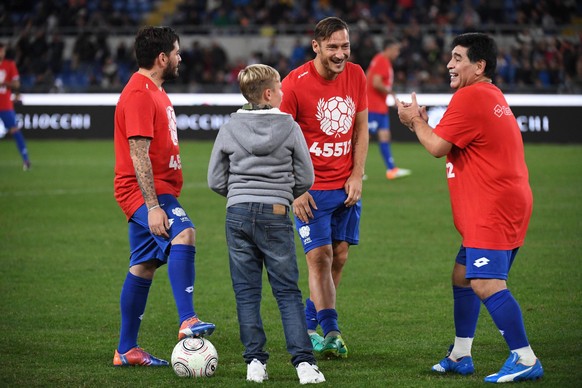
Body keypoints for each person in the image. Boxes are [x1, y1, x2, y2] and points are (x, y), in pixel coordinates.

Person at [396, 32, 543, 383]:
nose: (449, 64)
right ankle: (461, 354)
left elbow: (436, 146)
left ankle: (524, 358)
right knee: (462, 276)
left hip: (491, 208)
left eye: (458, 58)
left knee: (484, 282)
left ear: (479, 66)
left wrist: (414, 120)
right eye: (451, 57)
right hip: (505, 202)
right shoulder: (489, 94)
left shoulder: (470, 97)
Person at [207, 64, 325, 384]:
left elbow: (215, 180)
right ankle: (304, 365)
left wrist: (240, 195)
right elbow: (307, 176)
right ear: (269, 94)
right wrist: (284, 194)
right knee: (287, 292)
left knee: (247, 293)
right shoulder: (289, 126)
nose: (284, 93)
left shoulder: (230, 126)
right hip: (275, 213)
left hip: (238, 214)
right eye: (280, 88)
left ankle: (255, 364)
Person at [112, 26, 215, 367]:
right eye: (176, 52)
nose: (180, 57)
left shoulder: (153, 90)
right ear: (162, 58)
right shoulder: (141, 93)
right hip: (146, 192)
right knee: (184, 232)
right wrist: (153, 207)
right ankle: (187, 319)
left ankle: (126, 351)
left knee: (144, 265)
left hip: (158, 190)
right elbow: (138, 153)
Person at [280, 17, 369, 359]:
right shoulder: (295, 83)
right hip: (310, 191)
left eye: (344, 46)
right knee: (319, 257)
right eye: (332, 47)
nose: (340, 53)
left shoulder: (356, 75)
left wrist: (357, 174)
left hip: (345, 186)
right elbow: (281, 140)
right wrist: (295, 189)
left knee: (339, 258)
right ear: (316, 46)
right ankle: (332, 331)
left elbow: (361, 129)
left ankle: (307, 325)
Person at [366, 38, 411, 180]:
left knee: (384, 136)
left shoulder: (378, 59)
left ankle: (391, 169)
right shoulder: (382, 62)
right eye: (396, 50)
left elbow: (368, 77)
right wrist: (391, 94)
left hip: (380, 106)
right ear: (389, 49)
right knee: (363, 139)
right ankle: (353, 171)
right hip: (373, 107)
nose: (397, 53)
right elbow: (376, 83)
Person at [0, 42, 30, 171]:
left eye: (2, 50)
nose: (1, 53)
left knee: (14, 130)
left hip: (5, 105)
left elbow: (16, 85)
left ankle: (26, 160)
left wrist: (4, 83)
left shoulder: (9, 65)